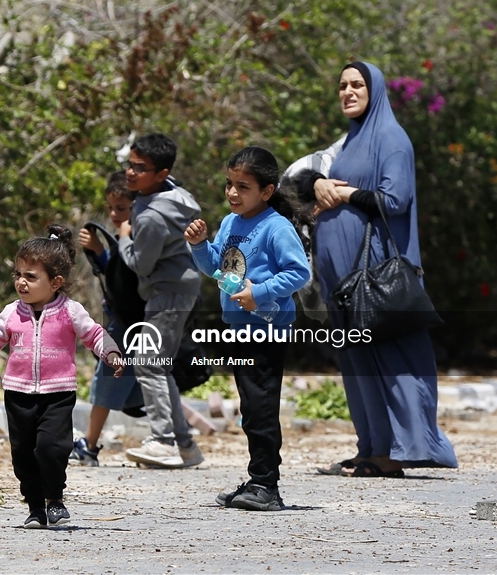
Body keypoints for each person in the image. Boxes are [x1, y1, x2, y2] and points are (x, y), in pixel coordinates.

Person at [302, 61, 458, 477]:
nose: (348, 92)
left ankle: (399, 449)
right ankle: (371, 447)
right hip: (343, 279)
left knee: (388, 357)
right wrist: (319, 186)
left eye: (357, 85)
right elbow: (297, 178)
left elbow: (395, 200)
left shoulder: (392, 137)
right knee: (357, 362)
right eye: (342, 86)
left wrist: (345, 192)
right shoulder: (350, 141)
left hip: (374, 273)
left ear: (375, 89)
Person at [0, 225, 124, 528]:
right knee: (24, 455)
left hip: (58, 393)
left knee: (52, 448)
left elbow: (94, 333)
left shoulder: (70, 310)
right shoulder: (11, 312)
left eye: (31, 276)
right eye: (18, 275)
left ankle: (54, 499)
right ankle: (35, 507)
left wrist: (111, 352)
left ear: (55, 282)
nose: (21, 282)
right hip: (18, 395)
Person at [186, 146, 312, 511]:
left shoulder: (275, 227)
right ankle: (257, 479)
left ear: (267, 191)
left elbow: (298, 272)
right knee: (250, 406)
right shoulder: (229, 224)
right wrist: (199, 245)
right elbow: (220, 271)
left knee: (261, 406)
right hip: (237, 327)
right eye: (229, 184)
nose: (232, 193)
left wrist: (261, 292)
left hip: (268, 329)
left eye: (243, 186)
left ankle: (266, 485)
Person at [116, 133, 204, 469]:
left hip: (168, 291)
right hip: (178, 289)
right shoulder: (177, 195)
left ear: (161, 174)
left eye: (140, 168)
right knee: (158, 364)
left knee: (148, 360)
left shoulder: (152, 217)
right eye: (131, 164)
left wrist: (124, 238)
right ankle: (184, 445)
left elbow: (141, 263)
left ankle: (162, 441)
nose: (131, 172)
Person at [71, 171, 147, 466]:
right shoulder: (124, 239)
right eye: (111, 208)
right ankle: (177, 436)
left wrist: (103, 250)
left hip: (127, 325)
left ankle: (88, 445)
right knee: (141, 384)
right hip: (124, 321)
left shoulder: (136, 241)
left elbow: (125, 278)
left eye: (122, 209)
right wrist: (100, 251)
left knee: (106, 383)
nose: (115, 215)